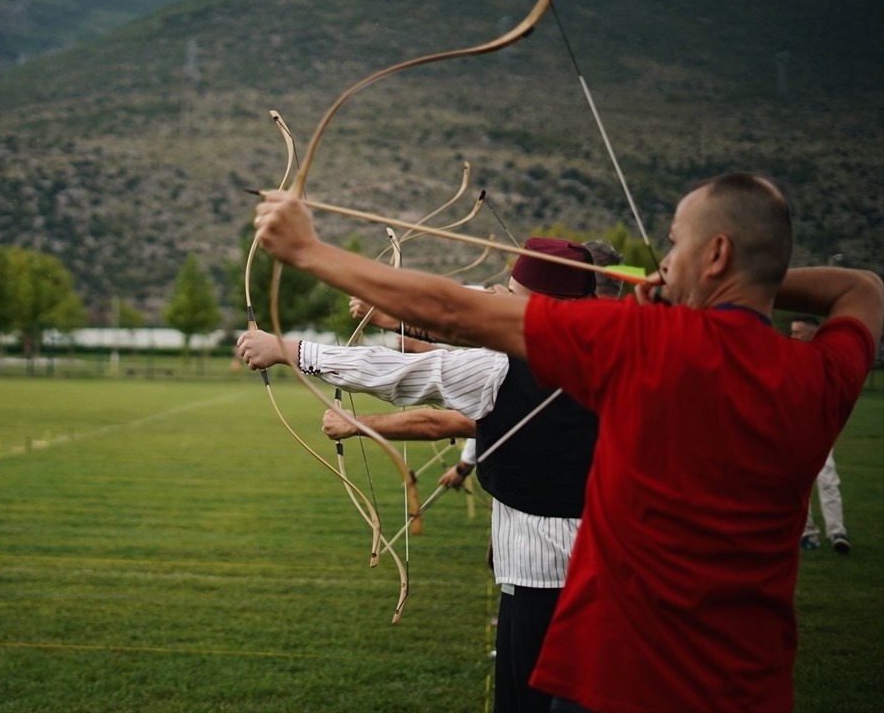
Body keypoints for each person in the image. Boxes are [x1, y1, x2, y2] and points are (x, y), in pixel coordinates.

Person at [250, 172, 883, 712]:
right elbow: (864, 289)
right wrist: (750, 279)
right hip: (751, 683)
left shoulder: (645, 342)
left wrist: (306, 250)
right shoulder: (821, 376)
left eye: (672, 247)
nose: (661, 264)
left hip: (620, 676)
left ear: (715, 255)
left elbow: (455, 311)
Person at [239, 237, 605, 713]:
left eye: (513, 297)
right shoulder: (615, 350)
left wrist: (289, 350)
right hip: (598, 561)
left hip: (543, 573)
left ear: (544, 307)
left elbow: (400, 373)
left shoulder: (503, 366)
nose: (500, 302)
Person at [791, 315, 851, 554]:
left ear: (812, 334)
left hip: (820, 430)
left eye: (797, 332)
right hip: (792, 431)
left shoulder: (824, 360)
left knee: (827, 478)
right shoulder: (789, 358)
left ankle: (837, 532)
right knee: (798, 482)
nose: (792, 336)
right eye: (792, 331)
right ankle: (807, 533)